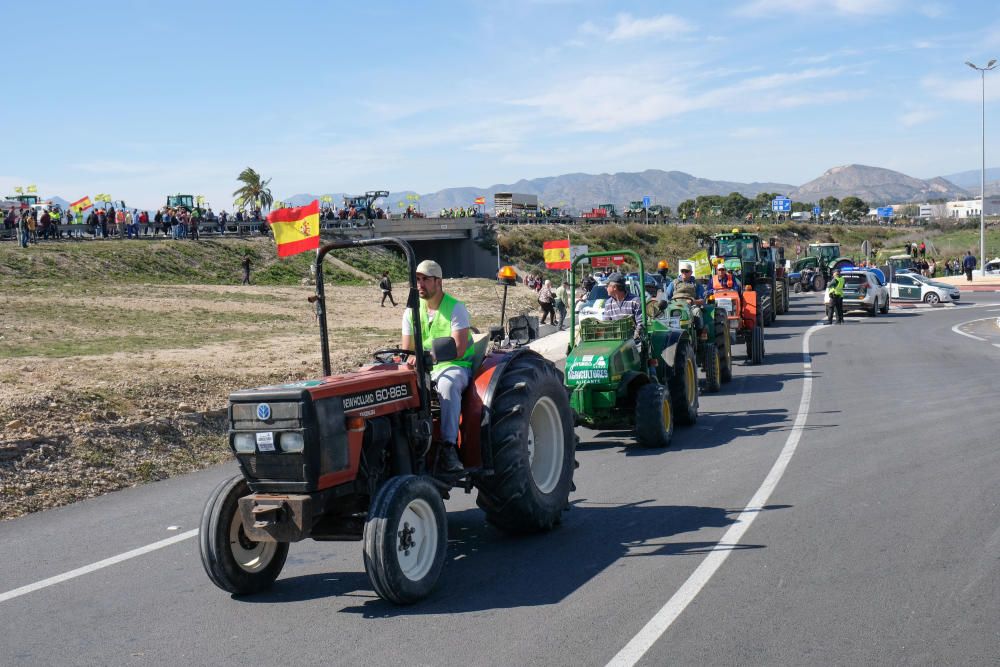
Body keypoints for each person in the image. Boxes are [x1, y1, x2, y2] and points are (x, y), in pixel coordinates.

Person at [400, 259, 474, 474]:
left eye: (425, 279)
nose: (420, 284)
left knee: (447, 385)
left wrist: (430, 357)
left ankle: (449, 447)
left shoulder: (455, 308)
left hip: (453, 364)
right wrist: (412, 360)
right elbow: (407, 350)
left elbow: (458, 348)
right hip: (423, 367)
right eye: (417, 279)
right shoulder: (411, 311)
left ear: (438, 282)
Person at [665, 261, 707, 335]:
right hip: (675, 306)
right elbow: (666, 296)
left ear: (691, 272)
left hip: (691, 306)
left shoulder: (696, 284)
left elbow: (702, 300)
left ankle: (699, 335)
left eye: (686, 271)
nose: (684, 273)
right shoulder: (673, 283)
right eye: (682, 271)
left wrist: (693, 302)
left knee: (697, 311)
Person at [603, 272, 644, 339]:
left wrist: (632, 340)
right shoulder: (608, 303)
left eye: (607, 286)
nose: (605, 288)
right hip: (616, 342)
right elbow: (606, 324)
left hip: (635, 343)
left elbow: (641, 324)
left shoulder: (635, 301)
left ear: (614, 287)